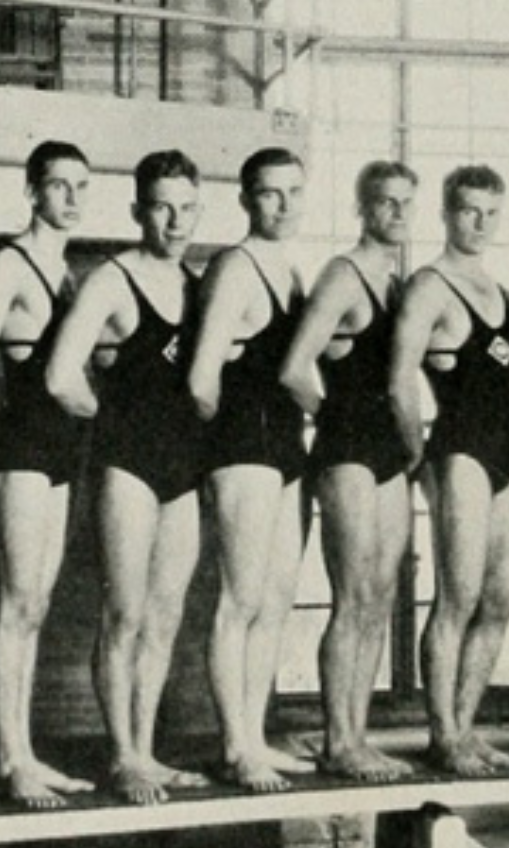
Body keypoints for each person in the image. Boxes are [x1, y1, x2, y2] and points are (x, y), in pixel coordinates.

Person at [47, 149, 211, 805]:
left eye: (187, 208)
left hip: (183, 468)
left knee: (165, 614)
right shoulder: (111, 281)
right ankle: (121, 755)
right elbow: (60, 375)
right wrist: (109, 414)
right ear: (138, 210)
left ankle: (146, 748)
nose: (175, 221)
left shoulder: (199, 285)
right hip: (128, 465)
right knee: (124, 612)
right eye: (162, 207)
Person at [0, 140, 97, 808]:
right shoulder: (8, 266)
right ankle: (9, 759)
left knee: (35, 605)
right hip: (16, 449)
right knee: (16, 603)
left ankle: (26, 754)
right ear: (32, 190)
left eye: (80, 187)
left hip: (58, 451)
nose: (69, 199)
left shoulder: (68, 274)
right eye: (57, 186)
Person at [391, 165, 509, 776]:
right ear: (447, 213)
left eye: (491, 212)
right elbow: (398, 380)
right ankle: (442, 733)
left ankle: (467, 728)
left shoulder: (504, 294)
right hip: (461, 449)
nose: (480, 223)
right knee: (458, 596)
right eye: (469, 211)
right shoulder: (428, 286)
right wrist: (415, 455)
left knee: (501, 601)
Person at [280, 161, 417, 783]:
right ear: (362, 208)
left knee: (380, 597)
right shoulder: (342, 276)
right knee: (353, 595)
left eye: (405, 204)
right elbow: (292, 368)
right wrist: (333, 418)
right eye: (385, 203)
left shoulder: (396, 284)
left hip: (386, 450)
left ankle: (357, 735)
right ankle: (338, 742)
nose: (397, 214)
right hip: (349, 451)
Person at [188, 148, 315, 792]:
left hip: (283, 445)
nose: (284, 205)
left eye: (295, 191)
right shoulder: (235, 268)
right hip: (243, 446)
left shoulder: (288, 270)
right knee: (239, 600)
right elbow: (202, 379)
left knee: (276, 598)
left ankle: (256, 734)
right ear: (246, 199)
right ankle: (236, 745)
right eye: (271, 193)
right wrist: (219, 457)